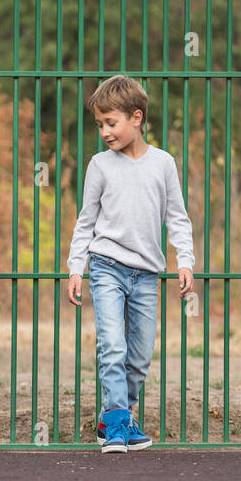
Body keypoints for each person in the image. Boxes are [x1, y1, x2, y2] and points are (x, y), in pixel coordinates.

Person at [65, 75, 195, 454]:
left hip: (147, 274)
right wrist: (77, 267)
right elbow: (86, 220)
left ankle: (119, 415)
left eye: (111, 123)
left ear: (136, 117)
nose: (105, 131)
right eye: (100, 125)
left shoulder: (163, 164)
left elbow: (178, 216)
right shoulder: (99, 165)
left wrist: (184, 260)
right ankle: (118, 425)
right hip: (106, 266)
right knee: (112, 346)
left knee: (139, 354)